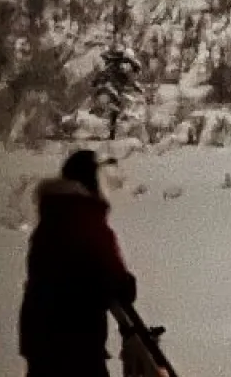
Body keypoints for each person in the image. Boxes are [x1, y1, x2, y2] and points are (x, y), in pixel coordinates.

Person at [19, 150, 139, 377]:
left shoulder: (53, 217)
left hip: (41, 338)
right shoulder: (85, 219)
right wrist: (124, 284)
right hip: (75, 340)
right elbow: (113, 277)